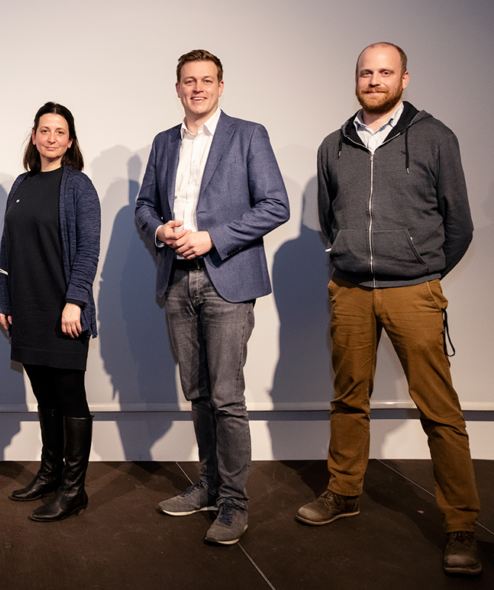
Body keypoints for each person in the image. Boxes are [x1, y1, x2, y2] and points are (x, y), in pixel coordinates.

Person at [296, 42, 481, 576]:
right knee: (348, 399)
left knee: (440, 411)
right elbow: (329, 220)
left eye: (384, 72)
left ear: (405, 79)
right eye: (365, 72)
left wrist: (422, 271)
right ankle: (344, 491)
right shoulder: (334, 145)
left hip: (413, 292)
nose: (373, 80)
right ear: (356, 79)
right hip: (351, 291)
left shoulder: (435, 138)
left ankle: (461, 524)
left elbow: (460, 223)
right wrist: (349, 259)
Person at [135, 50, 289, 545]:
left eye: (206, 80)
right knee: (198, 393)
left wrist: (212, 237)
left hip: (227, 280)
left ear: (221, 86)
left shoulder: (248, 135)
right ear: (177, 88)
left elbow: (275, 205)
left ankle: (234, 503)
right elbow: (142, 206)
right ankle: (208, 484)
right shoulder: (163, 143)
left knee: (227, 397)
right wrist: (160, 230)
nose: (197, 88)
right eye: (188, 81)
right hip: (177, 281)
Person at [0, 103, 100, 522]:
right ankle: (51, 473)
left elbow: (89, 249)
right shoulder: (21, 182)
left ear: (70, 141)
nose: (51, 138)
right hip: (28, 306)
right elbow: (8, 248)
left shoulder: (79, 186)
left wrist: (75, 300)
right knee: (44, 395)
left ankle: (74, 490)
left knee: (71, 396)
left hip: (63, 310)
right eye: (44, 130)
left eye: (60, 131)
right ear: (34, 136)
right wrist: (4, 300)